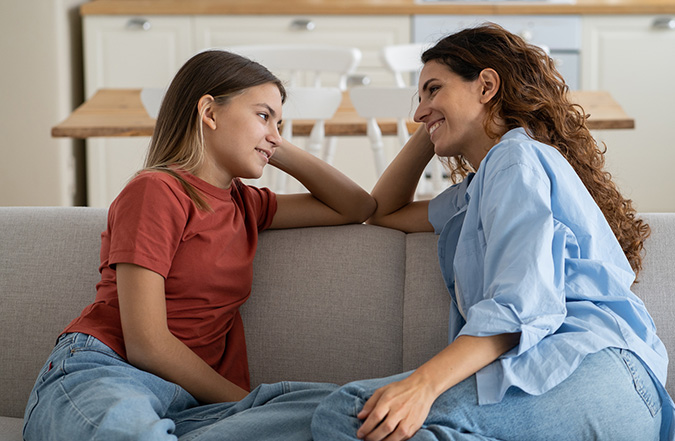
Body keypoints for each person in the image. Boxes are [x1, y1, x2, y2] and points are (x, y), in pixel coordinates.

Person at [311, 23, 675, 441]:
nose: (418, 110)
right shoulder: (480, 189)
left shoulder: (514, 160)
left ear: (486, 85)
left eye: (433, 89)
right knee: (388, 426)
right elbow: (383, 210)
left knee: (352, 412)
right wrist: (435, 122)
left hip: (590, 368)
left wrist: (424, 385)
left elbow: (521, 304)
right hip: (611, 387)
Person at [22, 49, 375, 441]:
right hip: (111, 372)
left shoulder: (246, 204)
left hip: (195, 406)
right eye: (262, 114)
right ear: (209, 112)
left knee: (353, 410)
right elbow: (147, 345)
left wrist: (272, 142)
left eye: (280, 122)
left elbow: (357, 206)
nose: (275, 132)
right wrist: (251, 402)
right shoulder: (156, 191)